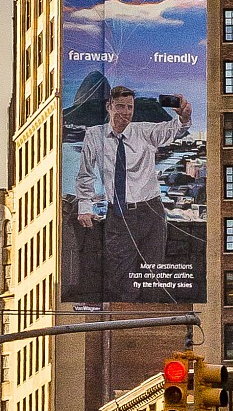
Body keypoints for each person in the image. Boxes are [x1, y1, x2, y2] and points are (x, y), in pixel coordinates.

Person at [75, 85, 191, 305]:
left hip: (151, 213)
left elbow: (171, 130)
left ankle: (150, 326)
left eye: (130, 107)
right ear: (109, 107)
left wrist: (183, 118)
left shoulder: (144, 132)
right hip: (118, 215)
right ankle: (124, 325)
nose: (126, 112)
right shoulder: (94, 135)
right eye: (120, 106)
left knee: (152, 275)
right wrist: (85, 207)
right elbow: (85, 175)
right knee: (120, 277)